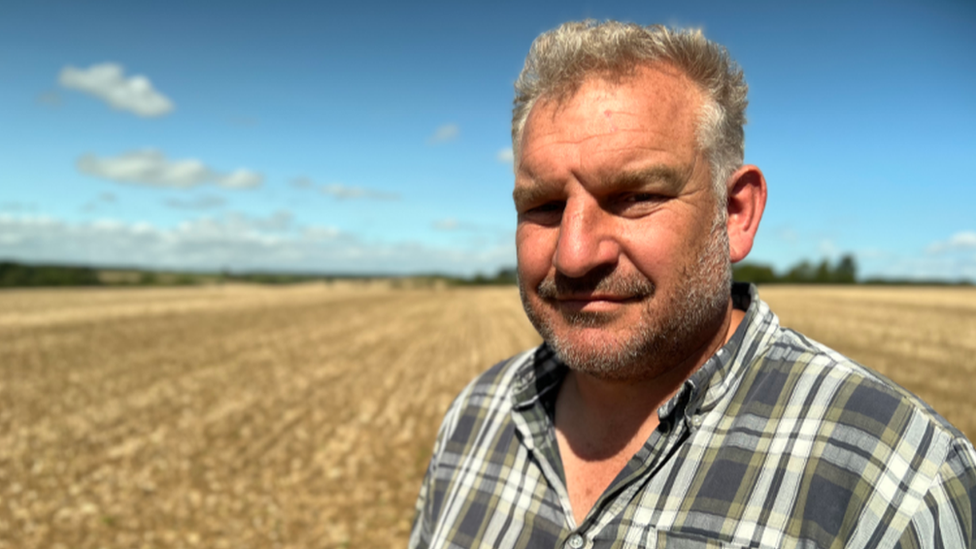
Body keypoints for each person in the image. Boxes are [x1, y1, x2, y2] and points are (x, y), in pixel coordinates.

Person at [410, 20, 976, 548]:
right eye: (544, 205)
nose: (575, 254)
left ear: (735, 214)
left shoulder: (896, 490)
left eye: (634, 197)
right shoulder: (475, 421)